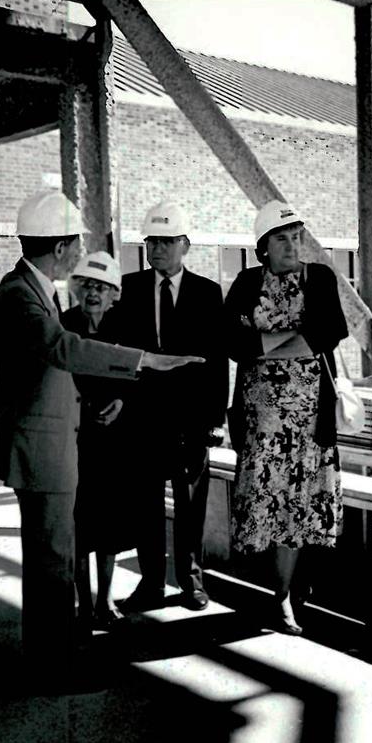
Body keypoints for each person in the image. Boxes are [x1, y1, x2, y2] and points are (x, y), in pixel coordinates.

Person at [0, 189, 201, 686]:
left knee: (53, 564)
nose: (82, 252)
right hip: (41, 452)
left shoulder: (32, 287)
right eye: (77, 243)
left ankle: (52, 660)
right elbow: (61, 348)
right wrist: (144, 360)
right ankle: (52, 670)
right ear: (60, 248)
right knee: (51, 568)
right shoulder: (19, 294)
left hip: (47, 445)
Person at [224, 201, 349, 635]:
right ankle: (281, 593)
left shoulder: (321, 278)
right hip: (261, 421)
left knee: (300, 505)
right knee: (269, 504)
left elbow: (325, 336)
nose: (293, 245)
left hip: (310, 419)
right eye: (282, 238)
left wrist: (265, 342)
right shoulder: (244, 283)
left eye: (297, 236)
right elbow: (233, 344)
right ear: (263, 247)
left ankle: (285, 599)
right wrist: (292, 337)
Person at [102, 201, 228, 613]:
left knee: (190, 506)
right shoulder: (130, 289)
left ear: (185, 245)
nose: (157, 249)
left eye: (167, 241)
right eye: (152, 241)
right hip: (143, 420)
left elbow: (217, 361)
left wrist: (216, 419)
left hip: (192, 422)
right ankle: (151, 585)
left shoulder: (208, 293)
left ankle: (191, 584)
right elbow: (116, 350)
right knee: (146, 506)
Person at [62, 251, 131, 631]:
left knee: (108, 525)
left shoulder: (122, 327)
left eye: (102, 287)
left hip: (112, 442)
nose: (93, 293)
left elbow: (137, 376)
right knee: (78, 525)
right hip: (75, 440)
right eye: (87, 285)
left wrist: (122, 401)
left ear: (113, 294)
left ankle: (105, 599)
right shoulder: (65, 325)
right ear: (76, 289)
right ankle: (83, 604)